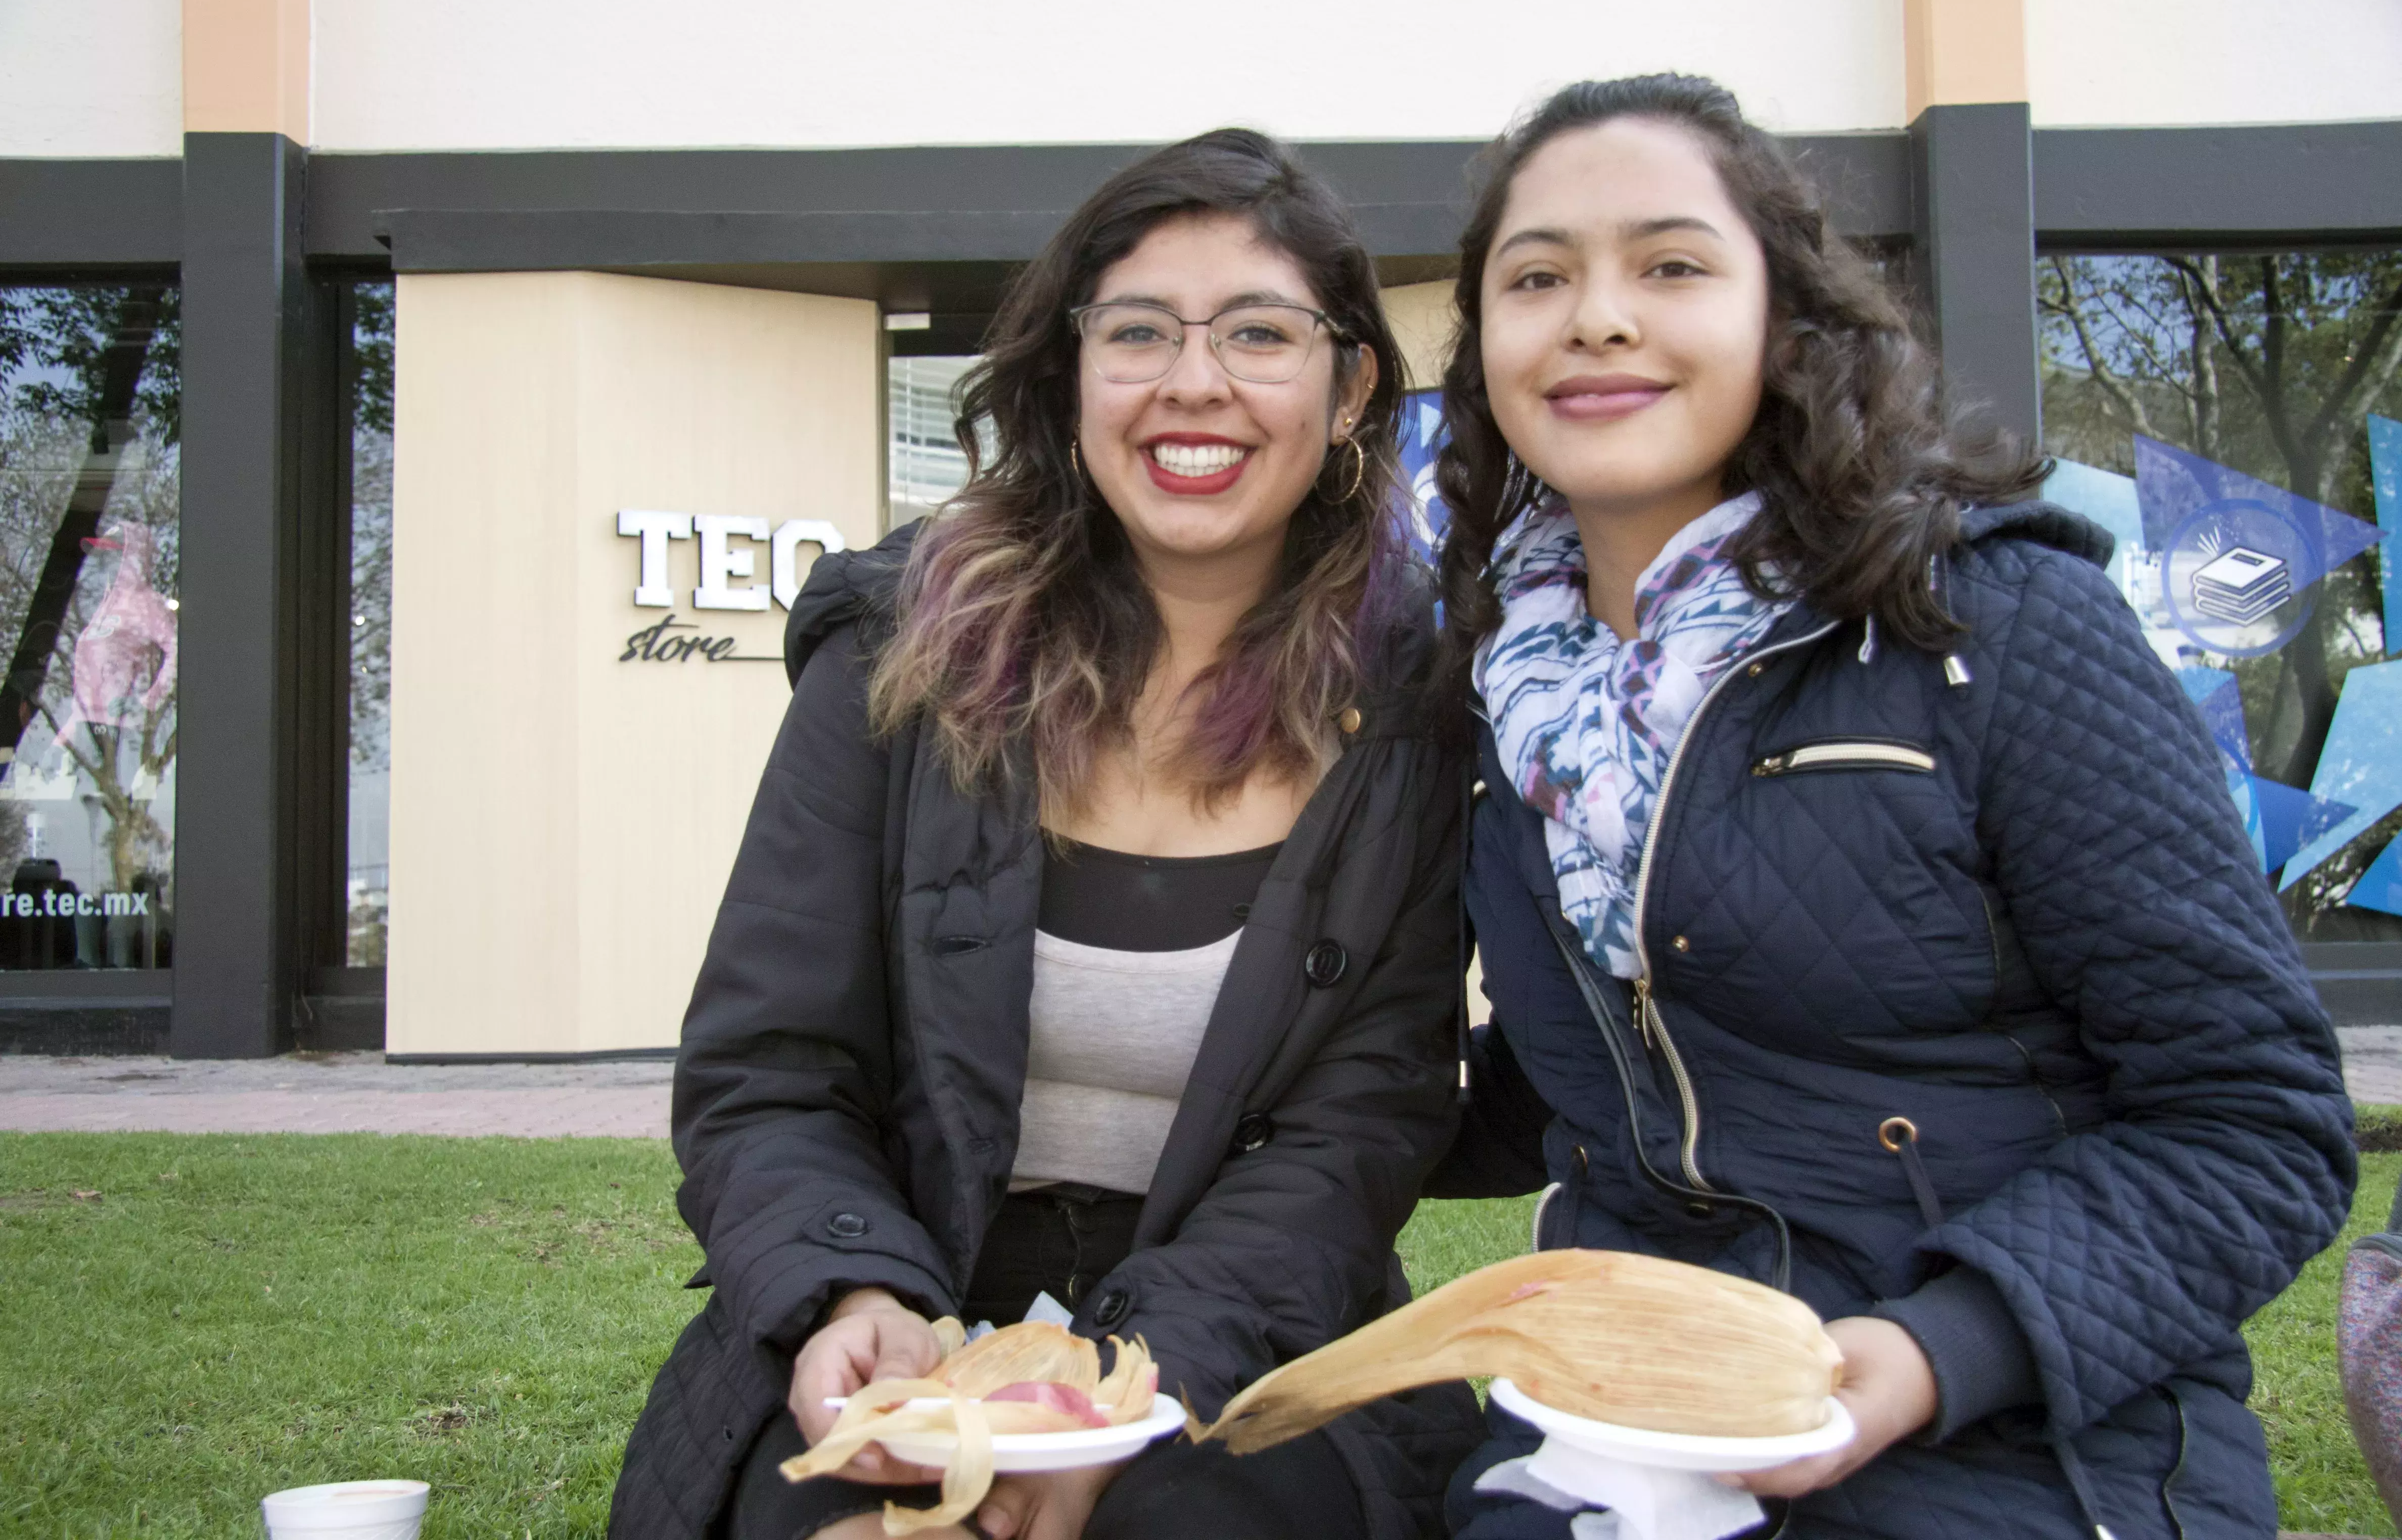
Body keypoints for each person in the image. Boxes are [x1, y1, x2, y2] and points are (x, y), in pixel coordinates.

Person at [1424, 74, 2354, 1539]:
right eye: (1538, 277)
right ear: (1483, 352)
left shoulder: (1998, 625)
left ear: (1782, 324)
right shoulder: (1505, 690)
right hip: (1631, 1413)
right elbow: (1608, 1065)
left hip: (2017, 1439)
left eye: (1671, 265)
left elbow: (2259, 1124)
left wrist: (1934, 1354)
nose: (1597, 316)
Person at [610, 127, 1481, 1540]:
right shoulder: (895, 655)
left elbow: (1363, 1124)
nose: (1193, 381)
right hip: (903, 1289)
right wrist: (858, 1295)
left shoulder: (1415, 714)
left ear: (1350, 384)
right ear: (1072, 374)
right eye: (1139, 330)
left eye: (1259, 333)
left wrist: (1117, 1384)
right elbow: (771, 1068)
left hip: (1247, 1321)